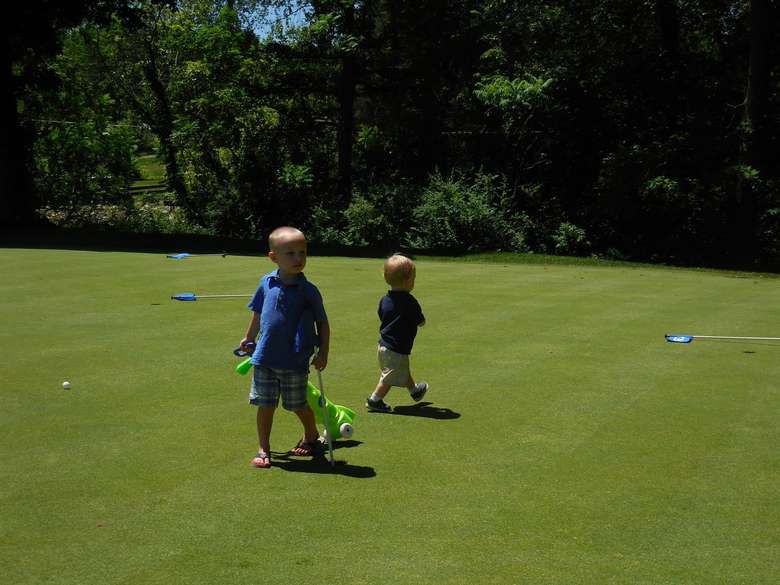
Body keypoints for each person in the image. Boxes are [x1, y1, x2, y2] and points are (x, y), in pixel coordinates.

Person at [239, 226, 330, 468]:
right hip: (265, 357)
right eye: (290, 253)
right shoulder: (265, 283)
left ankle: (311, 434)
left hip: (295, 360)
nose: (298, 258)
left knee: (297, 404)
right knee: (264, 404)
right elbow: (258, 314)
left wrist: (323, 352)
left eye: (302, 252)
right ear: (273, 257)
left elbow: (323, 323)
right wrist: (248, 337)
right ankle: (264, 448)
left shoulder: (309, 291)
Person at [366, 253, 428, 412]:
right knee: (389, 377)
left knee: (400, 370)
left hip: (383, 345)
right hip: (396, 348)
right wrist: (421, 322)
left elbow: (381, 314)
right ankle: (375, 400)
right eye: (413, 278)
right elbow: (419, 320)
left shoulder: (385, 299)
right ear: (408, 281)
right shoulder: (409, 301)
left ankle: (415, 391)